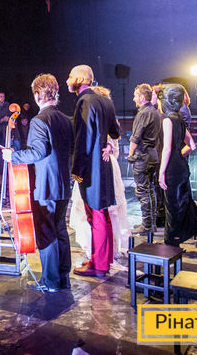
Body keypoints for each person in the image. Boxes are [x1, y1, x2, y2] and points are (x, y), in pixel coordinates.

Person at [2, 74, 73, 292]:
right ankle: (63, 278)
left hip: (46, 184)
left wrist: (13, 156)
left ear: (36, 95)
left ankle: (50, 282)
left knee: (47, 232)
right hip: (64, 183)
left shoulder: (38, 120)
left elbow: (39, 152)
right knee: (60, 230)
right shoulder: (66, 119)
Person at [67, 65, 120, 278]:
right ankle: (102, 259)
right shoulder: (105, 101)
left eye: (70, 76)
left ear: (80, 79)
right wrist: (108, 144)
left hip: (91, 167)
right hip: (103, 165)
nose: (68, 80)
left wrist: (76, 170)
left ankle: (99, 265)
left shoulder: (84, 101)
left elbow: (84, 138)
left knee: (96, 214)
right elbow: (115, 131)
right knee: (102, 213)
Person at [70, 86, 131, 260]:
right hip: (101, 165)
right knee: (94, 211)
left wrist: (110, 147)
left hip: (99, 167)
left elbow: (109, 141)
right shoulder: (104, 117)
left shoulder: (97, 116)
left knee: (103, 210)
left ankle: (103, 251)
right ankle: (96, 248)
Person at [157, 84, 197, 248]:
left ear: (165, 102)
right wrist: (179, 155)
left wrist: (161, 172)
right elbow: (192, 145)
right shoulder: (180, 120)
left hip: (172, 169)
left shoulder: (167, 121)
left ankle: (171, 243)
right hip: (182, 167)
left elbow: (167, 149)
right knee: (186, 202)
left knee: (173, 207)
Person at [127, 83, 162, 234]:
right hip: (152, 154)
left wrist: (130, 154)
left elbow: (135, 137)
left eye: (135, 96)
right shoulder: (155, 111)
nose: (133, 99)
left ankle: (147, 226)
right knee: (151, 190)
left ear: (142, 97)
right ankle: (151, 223)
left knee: (142, 191)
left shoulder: (143, 113)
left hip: (142, 155)